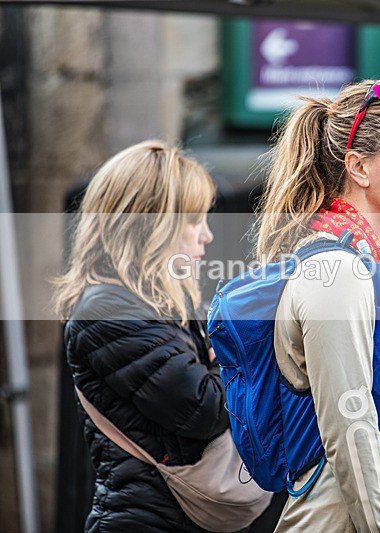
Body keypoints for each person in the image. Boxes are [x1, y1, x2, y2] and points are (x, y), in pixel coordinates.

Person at [251, 79, 380, 532]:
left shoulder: (366, 263)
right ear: (359, 167)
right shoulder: (340, 273)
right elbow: (350, 431)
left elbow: (361, 399)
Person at [53, 140, 279, 532]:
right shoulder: (108, 310)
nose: (206, 235)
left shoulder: (157, 303)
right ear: (150, 224)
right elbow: (204, 409)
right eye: (194, 221)